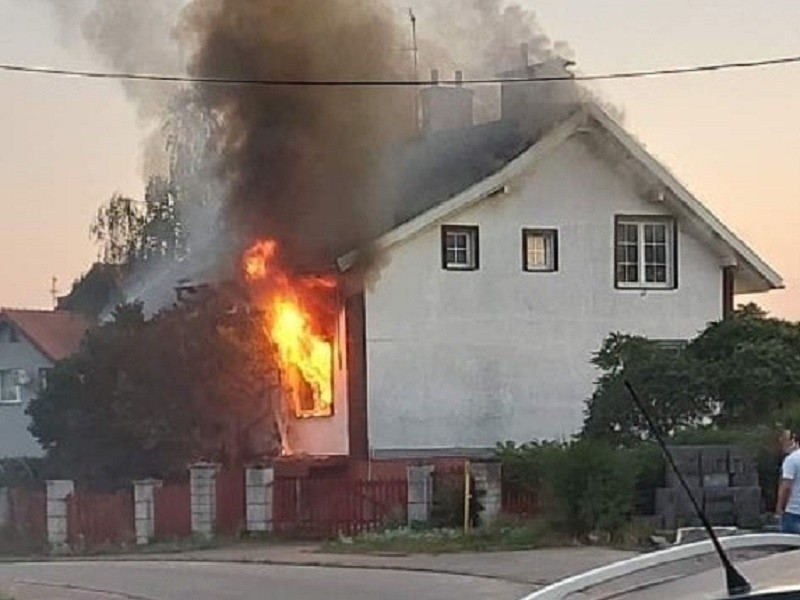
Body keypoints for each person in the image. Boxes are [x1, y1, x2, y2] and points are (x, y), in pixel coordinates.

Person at [776, 428, 800, 534]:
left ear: (793, 440)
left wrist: (780, 507)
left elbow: (786, 486)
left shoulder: (792, 460)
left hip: (794, 512)